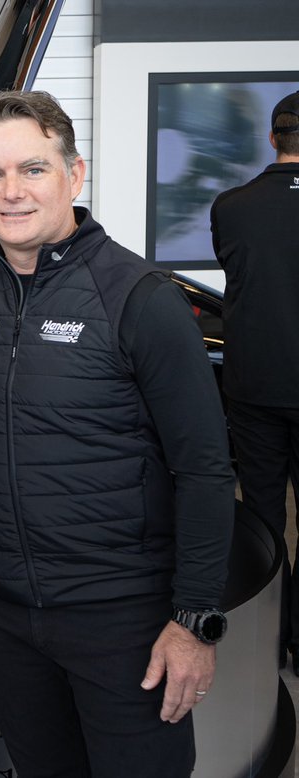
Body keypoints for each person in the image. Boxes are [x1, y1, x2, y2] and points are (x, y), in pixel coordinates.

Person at [0, 90, 235, 777]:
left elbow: (204, 468)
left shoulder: (140, 297)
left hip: (124, 620)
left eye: (33, 169)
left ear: (74, 175)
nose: (10, 192)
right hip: (10, 616)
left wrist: (194, 621)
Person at [211, 90, 299, 669]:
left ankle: (272, 637)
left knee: (264, 517)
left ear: (273, 139)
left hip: (254, 387)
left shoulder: (230, 205)